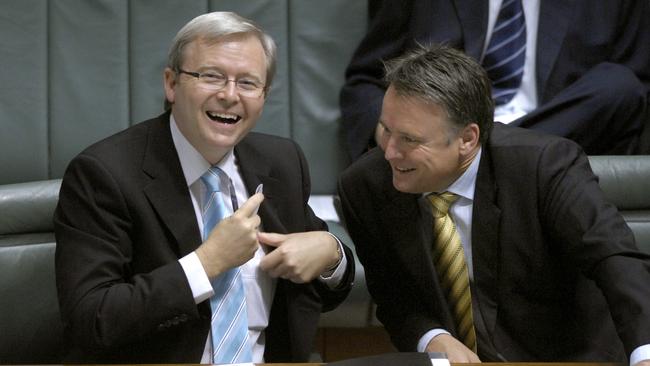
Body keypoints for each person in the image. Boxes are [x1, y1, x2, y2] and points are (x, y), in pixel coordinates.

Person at [54, 11, 354, 364]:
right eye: (211, 77)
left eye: (247, 83)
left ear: (264, 95)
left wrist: (332, 254)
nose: (230, 95)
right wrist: (206, 262)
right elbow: (92, 320)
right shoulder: (104, 174)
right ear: (171, 83)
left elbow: (313, 288)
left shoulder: (281, 161)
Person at [337, 43, 650, 365]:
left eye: (410, 140)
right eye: (386, 131)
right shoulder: (365, 186)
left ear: (467, 139)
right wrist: (432, 337)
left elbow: (615, 258)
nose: (389, 152)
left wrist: (645, 353)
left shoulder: (543, 167)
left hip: (570, 358)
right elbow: (394, 296)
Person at [340, 0, 650, 162]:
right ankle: (481, 162)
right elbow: (367, 78)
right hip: (445, 129)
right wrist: (388, 131)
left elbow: (632, 92)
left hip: (556, 136)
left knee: (618, 84)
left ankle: (478, 162)